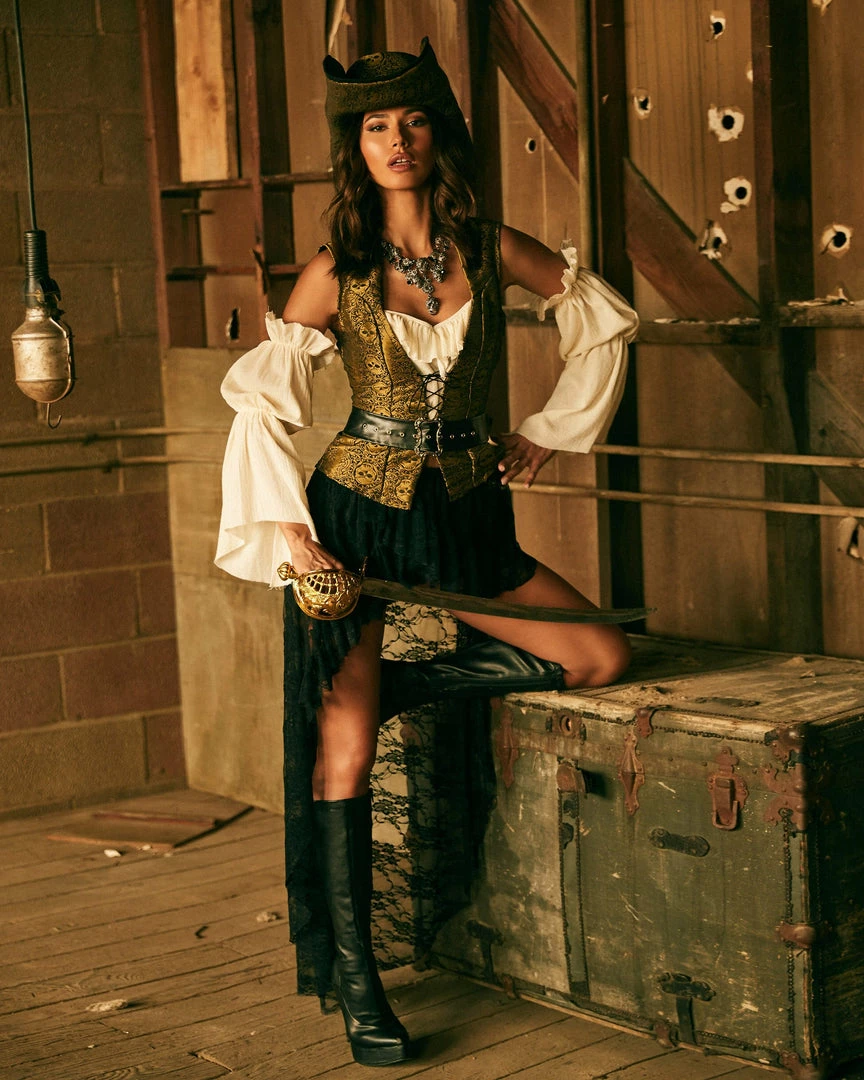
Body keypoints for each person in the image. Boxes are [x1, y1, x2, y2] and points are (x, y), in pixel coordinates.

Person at [216, 39, 638, 1068]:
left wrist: (547, 431)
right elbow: (261, 409)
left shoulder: (487, 248)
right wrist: (297, 539)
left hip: (466, 520)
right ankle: (361, 985)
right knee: (345, 754)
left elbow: (603, 322)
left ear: (436, 136)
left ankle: (404, 686)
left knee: (597, 656)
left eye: (411, 122)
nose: (396, 141)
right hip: (357, 522)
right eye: (375, 126)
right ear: (355, 149)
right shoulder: (339, 270)